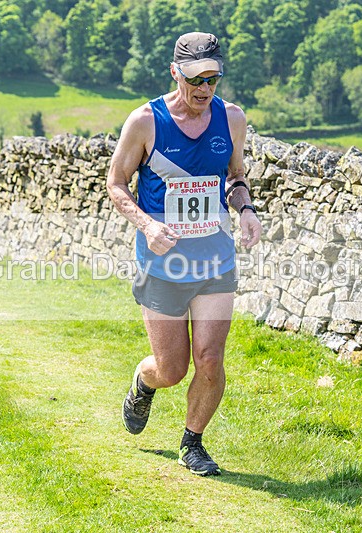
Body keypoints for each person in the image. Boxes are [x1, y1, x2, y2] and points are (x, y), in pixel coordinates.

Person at [106, 32, 262, 476]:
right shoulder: (145, 122)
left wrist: (246, 208)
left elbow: (234, 176)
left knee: (211, 359)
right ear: (176, 72)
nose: (205, 88)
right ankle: (144, 381)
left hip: (215, 258)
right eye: (196, 78)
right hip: (163, 262)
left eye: (213, 77)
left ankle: (193, 443)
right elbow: (116, 184)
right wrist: (148, 224)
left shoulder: (231, 119)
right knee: (170, 369)